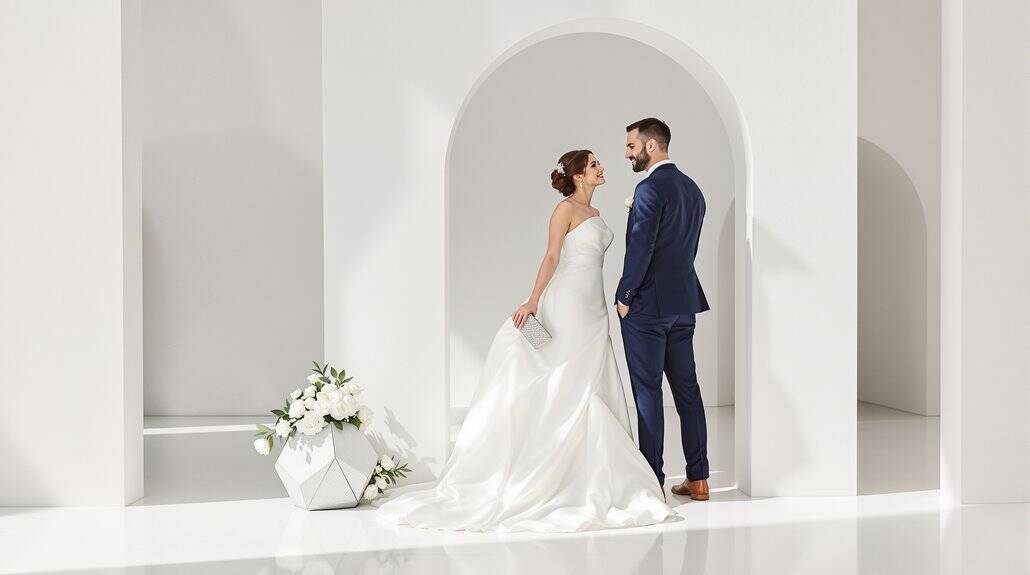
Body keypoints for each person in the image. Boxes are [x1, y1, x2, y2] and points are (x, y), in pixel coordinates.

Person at [376, 149, 676, 533]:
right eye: (594, 164)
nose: (602, 167)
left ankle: (588, 471)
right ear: (579, 176)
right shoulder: (564, 210)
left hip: (594, 307)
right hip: (567, 302)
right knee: (562, 373)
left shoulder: (598, 215)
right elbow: (551, 256)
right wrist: (533, 301)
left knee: (591, 378)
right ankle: (544, 465)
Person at [616, 118, 711, 501]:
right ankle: (700, 477)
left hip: (647, 306)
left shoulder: (649, 188)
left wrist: (625, 294)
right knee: (688, 390)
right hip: (683, 303)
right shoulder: (694, 190)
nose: (627, 153)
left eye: (631, 146)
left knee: (648, 392)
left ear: (651, 145)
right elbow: (686, 248)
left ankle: (651, 480)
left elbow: (642, 246)